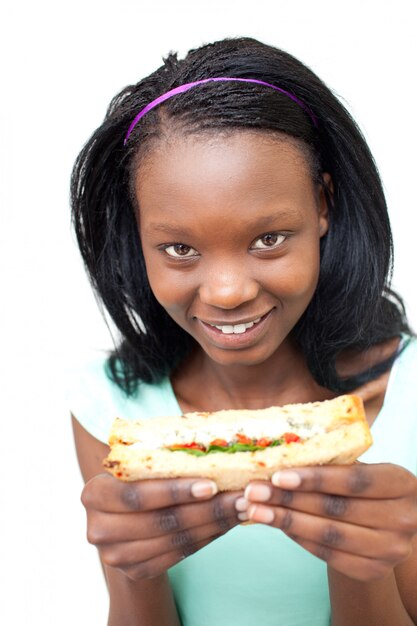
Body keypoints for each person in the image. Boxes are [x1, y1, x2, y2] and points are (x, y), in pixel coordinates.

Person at [70, 37, 417, 626]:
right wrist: (134, 570)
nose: (227, 291)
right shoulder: (112, 409)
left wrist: (362, 566)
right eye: (179, 248)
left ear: (323, 204)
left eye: (268, 239)